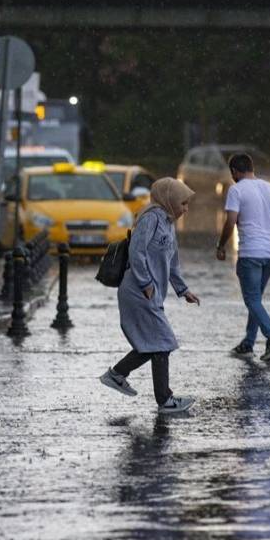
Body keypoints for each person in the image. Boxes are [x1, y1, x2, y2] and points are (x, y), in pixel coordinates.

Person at [99, 177, 200, 414]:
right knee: (162, 342)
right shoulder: (151, 218)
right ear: (170, 199)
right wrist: (145, 283)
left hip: (150, 292)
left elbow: (172, 262)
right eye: (183, 203)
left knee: (154, 344)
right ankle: (165, 400)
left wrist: (183, 290)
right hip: (137, 291)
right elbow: (136, 252)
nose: (185, 209)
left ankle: (116, 374)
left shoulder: (168, 222)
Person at [214, 153, 270, 360]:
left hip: (251, 254)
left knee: (252, 300)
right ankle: (248, 343)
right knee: (256, 300)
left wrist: (220, 245)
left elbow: (230, 221)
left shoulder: (236, 190)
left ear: (234, 172)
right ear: (251, 168)